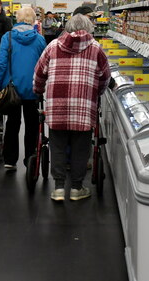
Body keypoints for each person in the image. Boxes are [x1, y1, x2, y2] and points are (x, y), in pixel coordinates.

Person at [33, 14, 111, 201]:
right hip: (83, 106)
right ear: (89, 28)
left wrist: (38, 90)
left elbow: (39, 73)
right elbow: (105, 77)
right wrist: (97, 92)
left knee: (57, 145)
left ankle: (59, 188)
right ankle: (77, 188)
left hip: (56, 105)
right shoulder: (96, 49)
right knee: (81, 147)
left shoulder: (53, 46)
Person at [0, 6, 47, 171]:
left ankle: (10, 160)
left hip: (12, 89)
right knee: (32, 125)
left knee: (12, 124)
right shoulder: (39, 40)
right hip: (32, 88)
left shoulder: (7, 37)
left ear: (17, 19)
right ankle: (30, 158)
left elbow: (1, 64)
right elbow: (44, 65)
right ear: (33, 20)